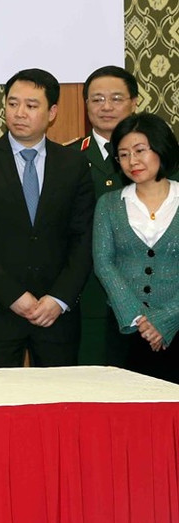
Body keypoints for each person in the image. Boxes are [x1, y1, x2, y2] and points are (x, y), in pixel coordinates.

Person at [0, 69, 95, 367]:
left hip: (56, 314)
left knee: (60, 394)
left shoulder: (74, 164)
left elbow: (84, 238)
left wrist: (59, 299)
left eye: (31, 105)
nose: (19, 113)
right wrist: (13, 296)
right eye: (13, 103)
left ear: (52, 112)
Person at [93, 113, 179, 383]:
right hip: (127, 328)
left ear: (161, 147)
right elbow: (103, 263)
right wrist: (138, 318)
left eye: (140, 150)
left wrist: (166, 318)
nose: (132, 161)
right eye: (124, 154)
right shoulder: (109, 204)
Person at [68, 66, 139, 366]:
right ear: (86, 105)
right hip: (87, 293)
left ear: (134, 102)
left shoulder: (158, 157)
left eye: (116, 98)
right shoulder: (66, 158)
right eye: (97, 99)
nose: (106, 107)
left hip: (146, 291)